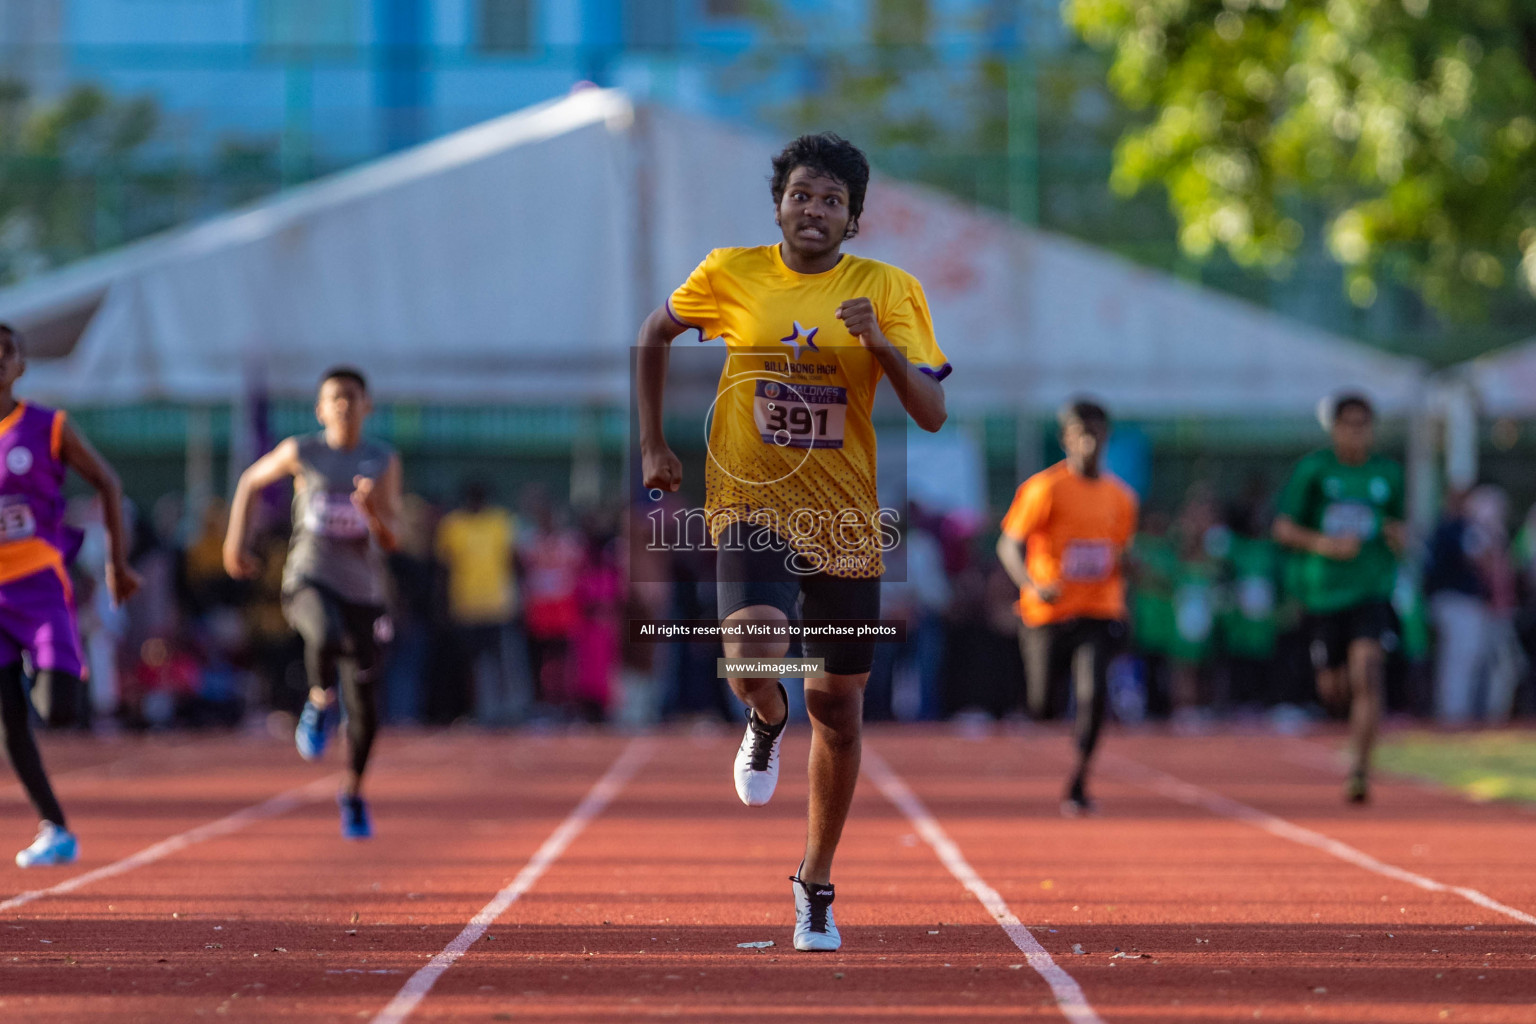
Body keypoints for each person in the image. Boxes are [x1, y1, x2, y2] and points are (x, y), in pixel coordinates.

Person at [637, 133, 950, 951]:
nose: (815, 210)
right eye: (802, 195)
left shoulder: (889, 289)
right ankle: (765, 720)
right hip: (749, 499)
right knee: (751, 660)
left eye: (833, 201)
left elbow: (932, 411)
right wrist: (654, 446)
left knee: (839, 707)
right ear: (779, 204)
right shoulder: (730, 273)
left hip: (844, 518)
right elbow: (651, 335)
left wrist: (878, 342)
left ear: (855, 219)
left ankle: (815, 884)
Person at [224, 366, 401, 839]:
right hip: (309, 578)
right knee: (323, 633)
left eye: (351, 396)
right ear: (320, 409)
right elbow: (249, 481)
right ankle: (320, 700)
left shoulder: (382, 461)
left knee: (365, 706)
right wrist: (234, 542)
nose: (343, 404)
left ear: (367, 406)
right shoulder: (303, 452)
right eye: (334, 397)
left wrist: (371, 512)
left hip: (364, 590)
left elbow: (394, 536)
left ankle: (353, 792)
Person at [0, 323, 140, 866]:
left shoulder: (48, 426)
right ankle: (54, 828)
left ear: (22, 365)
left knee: (57, 712)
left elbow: (108, 483)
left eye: (6, 352)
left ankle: (48, 668)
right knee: (9, 719)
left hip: (38, 589)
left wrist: (118, 564)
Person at [996, 399, 1137, 815]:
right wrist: (1032, 585)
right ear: (1066, 439)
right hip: (1047, 614)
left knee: (1093, 694)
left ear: (1106, 436)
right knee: (1043, 705)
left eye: (1096, 432)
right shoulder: (1045, 489)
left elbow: (1120, 553)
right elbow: (1009, 544)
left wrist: (1130, 570)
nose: (1089, 441)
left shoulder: (1121, 497)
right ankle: (1044, 716)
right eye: (1080, 433)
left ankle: (1079, 780)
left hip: (1098, 611)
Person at [1274, 392, 1405, 804]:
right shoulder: (1314, 471)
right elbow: (1283, 529)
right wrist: (1325, 544)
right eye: (1348, 424)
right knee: (1334, 688)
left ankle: (1360, 770)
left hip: (1371, 590)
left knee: (1368, 671)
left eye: (1363, 425)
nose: (1356, 433)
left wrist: (1398, 537)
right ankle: (1342, 708)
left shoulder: (1387, 474)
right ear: (1334, 429)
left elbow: (1399, 525)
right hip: (1324, 595)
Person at [436, 481, 525, 726]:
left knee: (501, 663)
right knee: (471, 666)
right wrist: (443, 605)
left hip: (497, 606)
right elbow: (444, 569)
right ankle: (479, 711)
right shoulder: (452, 525)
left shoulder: (500, 522)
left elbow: (513, 562)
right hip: (465, 606)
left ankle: (506, 711)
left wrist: (519, 598)